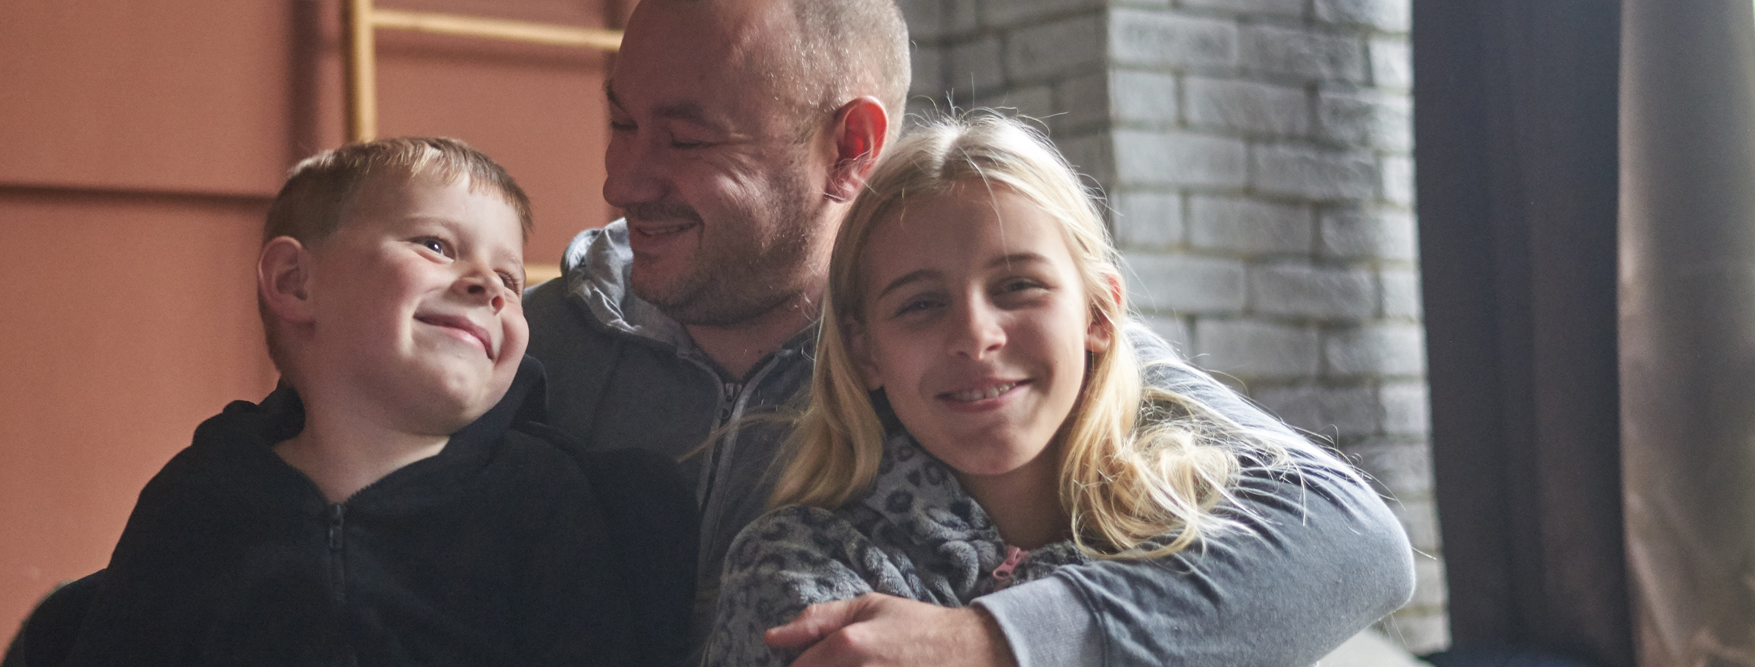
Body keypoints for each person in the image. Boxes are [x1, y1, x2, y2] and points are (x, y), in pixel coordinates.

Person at [523, 0, 1415, 664]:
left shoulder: (984, 355)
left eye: (687, 140)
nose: (623, 177)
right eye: (622, 121)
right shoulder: (520, 345)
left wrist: (989, 641)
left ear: (849, 146)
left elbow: (1352, 539)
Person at [706, 113, 1413, 666]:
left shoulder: (1206, 524)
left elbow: (1371, 547)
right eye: (920, 304)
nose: (975, 334)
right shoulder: (801, 567)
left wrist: (993, 643)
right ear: (865, 350)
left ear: (1101, 316)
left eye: (1018, 286)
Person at [8, 137, 694, 667]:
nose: (488, 285)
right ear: (295, 282)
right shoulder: (195, 500)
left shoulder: (546, 501)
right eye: (436, 245)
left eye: (511, 280)